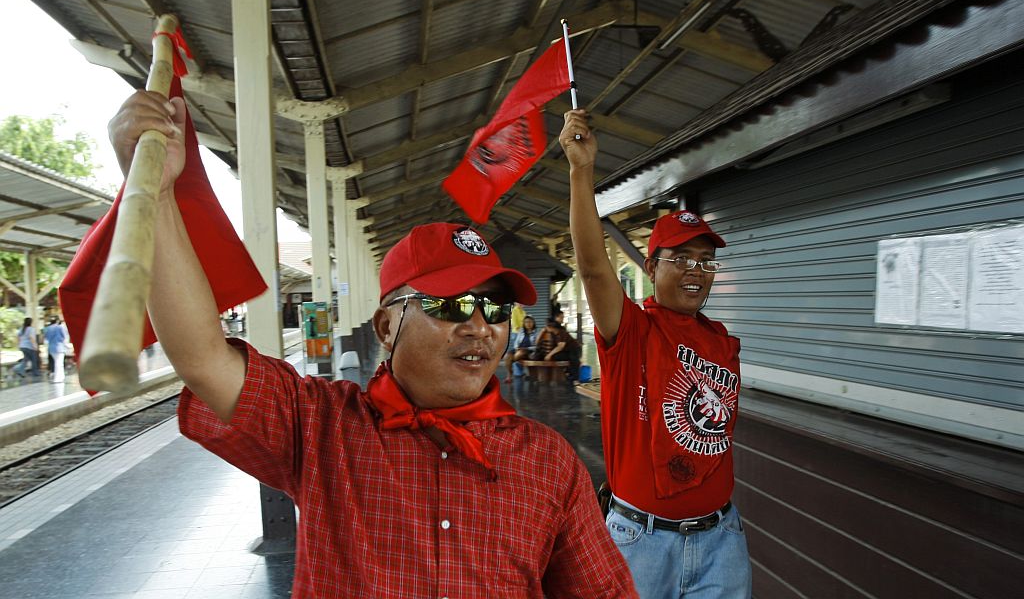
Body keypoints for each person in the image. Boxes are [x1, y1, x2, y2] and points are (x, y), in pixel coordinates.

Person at [107, 90, 638, 599]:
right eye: (448, 305)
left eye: (495, 308)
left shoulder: (548, 460)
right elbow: (202, 358)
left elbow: (603, 591)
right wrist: (153, 191)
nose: (481, 326)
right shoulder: (322, 429)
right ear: (386, 327)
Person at [561, 109, 751, 599]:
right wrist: (581, 171)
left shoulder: (719, 339)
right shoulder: (631, 330)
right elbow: (592, 267)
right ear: (651, 265)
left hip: (720, 539)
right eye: (681, 258)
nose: (696, 271)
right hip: (641, 540)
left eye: (705, 262)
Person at [508, 314, 538, 380]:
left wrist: (526, 348)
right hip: (518, 349)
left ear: (533, 323)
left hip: (528, 350)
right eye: (526, 322)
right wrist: (516, 348)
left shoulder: (536, 333)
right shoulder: (521, 331)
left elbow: (536, 347)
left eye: (530, 322)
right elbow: (516, 342)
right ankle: (510, 374)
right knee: (508, 356)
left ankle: (516, 367)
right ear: (524, 323)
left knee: (519, 354)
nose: (528, 324)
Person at [43, 317, 70, 384]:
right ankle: (57, 378)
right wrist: (66, 345)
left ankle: (61, 376)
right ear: (57, 321)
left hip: (51, 348)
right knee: (59, 363)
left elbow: (46, 338)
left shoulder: (48, 328)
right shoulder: (60, 327)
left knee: (57, 362)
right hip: (59, 347)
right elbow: (64, 337)